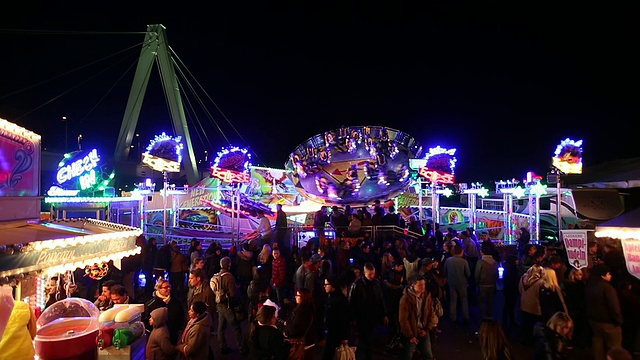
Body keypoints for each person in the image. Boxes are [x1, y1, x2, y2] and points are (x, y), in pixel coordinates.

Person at [348, 262, 389, 360]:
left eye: (373, 274)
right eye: (369, 274)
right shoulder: (357, 285)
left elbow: (380, 299)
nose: (372, 276)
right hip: (361, 317)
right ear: (364, 273)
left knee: (369, 339)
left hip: (373, 316)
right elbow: (351, 302)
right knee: (364, 340)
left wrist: (384, 314)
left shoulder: (376, 283)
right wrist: (352, 318)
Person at [587, 264, 623, 360]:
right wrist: (618, 320)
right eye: (608, 274)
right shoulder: (607, 288)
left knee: (598, 346)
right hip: (609, 323)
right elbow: (614, 307)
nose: (610, 276)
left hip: (594, 322)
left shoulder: (589, 285)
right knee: (614, 348)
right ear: (602, 275)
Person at [398, 274, 437, 360]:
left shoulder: (426, 296)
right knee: (408, 355)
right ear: (413, 285)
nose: (423, 287)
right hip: (412, 330)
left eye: (424, 285)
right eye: (420, 285)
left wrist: (427, 329)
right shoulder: (406, 299)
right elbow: (403, 319)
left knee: (428, 354)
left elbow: (430, 313)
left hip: (423, 329)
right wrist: (410, 335)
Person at [213, 256, 247, 355]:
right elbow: (233, 294)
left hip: (219, 304)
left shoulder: (218, 275)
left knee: (221, 326)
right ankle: (242, 348)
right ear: (229, 265)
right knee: (235, 326)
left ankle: (222, 347)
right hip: (227, 305)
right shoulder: (229, 276)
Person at [144, 278, 185, 345]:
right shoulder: (150, 305)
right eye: (166, 287)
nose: (168, 289)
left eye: (169, 287)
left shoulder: (176, 302)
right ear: (159, 289)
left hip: (173, 337)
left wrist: (179, 331)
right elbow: (146, 322)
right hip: (158, 339)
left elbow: (181, 317)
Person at [322, 276, 350, 360]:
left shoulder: (340, 300)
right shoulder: (330, 297)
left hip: (336, 333)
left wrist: (344, 337)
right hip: (331, 332)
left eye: (327, 284)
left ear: (333, 285)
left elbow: (344, 319)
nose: (324, 286)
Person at [284, 288, 316, 359]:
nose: (295, 297)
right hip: (307, 341)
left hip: (302, 343)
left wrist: (287, 325)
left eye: (298, 295)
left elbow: (295, 328)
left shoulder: (302, 311)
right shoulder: (308, 308)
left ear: (303, 297)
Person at [444, 244, 470, 325]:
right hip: (462, 283)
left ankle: (453, 317)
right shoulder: (464, 262)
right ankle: (466, 317)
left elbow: (445, 271)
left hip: (451, 282)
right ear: (461, 252)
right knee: (464, 300)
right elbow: (468, 274)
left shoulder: (448, 260)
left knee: (453, 300)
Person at [476, 244, 499, 319]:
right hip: (492, 284)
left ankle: (483, 316)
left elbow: (477, 274)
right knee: (490, 300)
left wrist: (477, 282)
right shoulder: (495, 262)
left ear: (482, 252)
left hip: (482, 284)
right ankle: (490, 314)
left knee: (482, 300)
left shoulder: (480, 262)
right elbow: (497, 274)